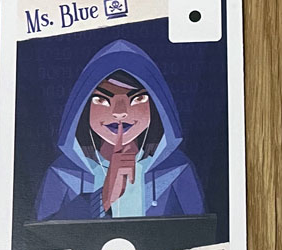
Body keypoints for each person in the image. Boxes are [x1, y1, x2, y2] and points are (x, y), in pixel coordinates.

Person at [35, 39, 205, 220]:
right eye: (101, 100)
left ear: (156, 106)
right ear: (83, 108)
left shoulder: (177, 168)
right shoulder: (63, 172)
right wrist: (103, 198)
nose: (119, 113)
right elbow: (42, 233)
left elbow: (202, 231)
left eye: (137, 99)